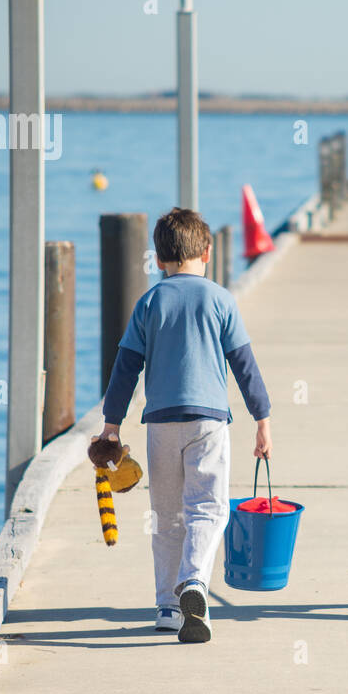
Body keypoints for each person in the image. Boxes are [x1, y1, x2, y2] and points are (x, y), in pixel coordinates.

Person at [97, 207, 272, 643]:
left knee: (167, 515)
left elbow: (125, 369)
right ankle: (194, 581)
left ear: (158, 260)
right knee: (208, 507)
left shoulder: (149, 302)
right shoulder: (220, 299)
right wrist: (262, 418)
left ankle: (167, 606)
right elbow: (244, 366)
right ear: (207, 252)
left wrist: (111, 426)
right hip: (208, 421)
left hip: (160, 422)